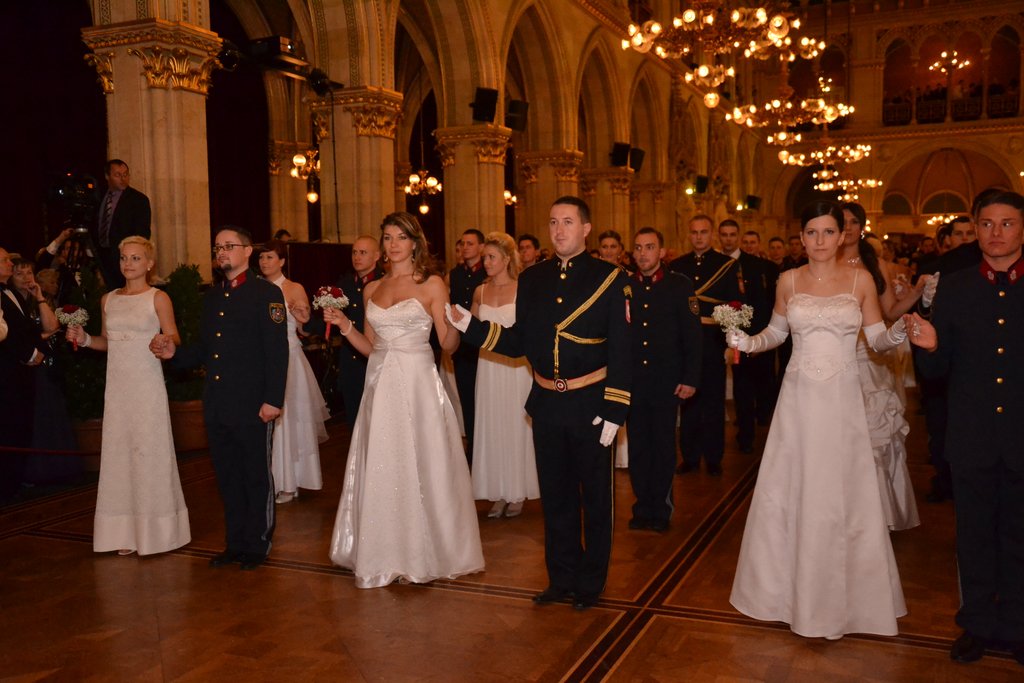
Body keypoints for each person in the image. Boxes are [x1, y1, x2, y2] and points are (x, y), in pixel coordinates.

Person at [727, 201, 907, 640]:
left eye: (829, 232)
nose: (821, 240)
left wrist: (899, 332)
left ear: (842, 236)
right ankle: (783, 594)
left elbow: (877, 339)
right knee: (794, 486)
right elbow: (777, 333)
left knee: (842, 491)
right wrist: (747, 343)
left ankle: (848, 602)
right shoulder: (788, 280)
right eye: (812, 232)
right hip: (799, 401)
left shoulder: (861, 280)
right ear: (802, 237)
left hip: (843, 404)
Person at [449, 195, 631, 611]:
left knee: (595, 501)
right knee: (556, 497)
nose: (559, 230)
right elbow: (518, 342)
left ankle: (590, 584)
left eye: (567, 222)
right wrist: (471, 327)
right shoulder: (533, 279)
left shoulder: (611, 278)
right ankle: (561, 579)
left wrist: (615, 408)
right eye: (553, 222)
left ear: (585, 228)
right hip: (547, 402)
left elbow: (622, 349)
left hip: (591, 403)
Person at [325, 212, 483, 588]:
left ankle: (423, 552)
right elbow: (372, 347)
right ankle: (382, 550)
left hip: (417, 384)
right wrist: (345, 326)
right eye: (388, 237)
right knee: (383, 462)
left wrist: (456, 325)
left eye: (401, 237)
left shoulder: (431, 284)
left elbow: (447, 344)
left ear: (415, 243)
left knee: (421, 462)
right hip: (380, 386)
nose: (393, 244)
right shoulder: (371, 289)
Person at [907, 189, 1024, 666]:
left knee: (1018, 537)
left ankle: (1017, 626)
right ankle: (975, 623)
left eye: (1007, 223)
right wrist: (931, 347)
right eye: (987, 224)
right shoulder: (954, 287)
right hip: (972, 436)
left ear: (1022, 229)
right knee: (973, 538)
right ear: (975, 229)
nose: (996, 233)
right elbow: (936, 376)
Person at [151, 226, 288, 571]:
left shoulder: (266, 294)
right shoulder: (212, 298)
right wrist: (174, 354)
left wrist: (273, 399)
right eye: (218, 247)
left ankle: (257, 544)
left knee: (255, 475)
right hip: (218, 402)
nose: (222, 252)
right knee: (227, 476)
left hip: (253, 404)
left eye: (229, 246)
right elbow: (205, 348)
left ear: (248, 251)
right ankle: (235, 543)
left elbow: (277, 351)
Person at [67, 236, 190, 555]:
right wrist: (84, 338)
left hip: (147, 386)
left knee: (150, 453)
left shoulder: (158, 297)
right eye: (124, 257)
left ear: (149, 264)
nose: (128, 263)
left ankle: (157, 533)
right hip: (118, 389)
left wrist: (164, 341)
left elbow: (174, 335)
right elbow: (107, 341)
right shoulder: (108, 299)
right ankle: (123, 532)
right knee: (119, 455)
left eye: (135, 258)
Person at [840, 202, 921, 531]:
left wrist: (916, 293)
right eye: (841, 222)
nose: (847, 228)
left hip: (870, 356)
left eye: (853, 222)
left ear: (862, 228)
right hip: (836, 357)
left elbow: (890, 311)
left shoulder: (877, 266)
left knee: (874, 436)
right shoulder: (823, 264)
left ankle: (877, 514)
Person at [627, 227, 701, 532]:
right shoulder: (625, 286)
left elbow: (692, 336)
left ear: (661, 252)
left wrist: (690, 377)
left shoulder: (679, 285)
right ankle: (642, 506)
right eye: (638, 248)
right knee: (638, 447)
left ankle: (660, 508)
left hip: (666, 380)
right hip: (634, 381)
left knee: (662, 446)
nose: (643, 253)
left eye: (649, 247)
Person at [469, 232, 538, 518]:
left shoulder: (524, 289)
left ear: (507, 259)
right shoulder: (480, 292)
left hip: (516, 368)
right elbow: (472, 330)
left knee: (516, 426)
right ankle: (497, 491)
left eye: (491, 257)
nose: (486, 262)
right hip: (488, 368)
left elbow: (530, 333)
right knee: (492, 426)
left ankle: (517, 490)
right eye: (484, 257)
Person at [669, 215, 742, 476]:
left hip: (712, 341)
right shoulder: (677, 266)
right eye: (694, 232)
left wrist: (731, 343)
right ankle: (689, 456)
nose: (698, 237)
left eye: (703, 232)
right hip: (684, 344)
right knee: (687, 401)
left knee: (713, 401)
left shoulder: (726, 265)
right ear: (688, 234)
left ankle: (713, 457)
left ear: (711, 234)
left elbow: (734, 304)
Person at [258, 240, 328, 504]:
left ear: (282, 261)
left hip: (288, 357)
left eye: (270, 257)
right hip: (261, 359)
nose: (264, 262)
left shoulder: (293, 288)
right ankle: (269, 480)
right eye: (262, 258)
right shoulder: (256, 288)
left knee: (289, 420)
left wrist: (303, 317)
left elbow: (304, 329)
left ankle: (290, 482)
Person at [719, 219, 777, 452]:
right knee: (740, 389)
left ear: (738, 236)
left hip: (752, 335)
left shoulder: (754, 264)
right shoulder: (716, 263)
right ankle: (743, 435)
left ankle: (757, 428)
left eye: (732, 234)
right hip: (723, 334)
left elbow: (761, 303)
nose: (728, 239)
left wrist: (755, 339)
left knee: (756, 385)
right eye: (724, 234)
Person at [0, 247, 48, 500]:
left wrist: (39, 350)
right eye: (5, 260)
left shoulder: (11, 293)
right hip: (7, 373)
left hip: (20, 374)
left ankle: (14, 482)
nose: (11, 263)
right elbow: (5, 336)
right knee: (8, 425)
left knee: (20, 424)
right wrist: (29, 353)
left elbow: (24, 329)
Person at [335, 235, 385, 427]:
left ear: (377, 256)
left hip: (376, 361)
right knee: (355, 422)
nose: (357, 257)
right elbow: (333, 322)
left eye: (363, 252)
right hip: (350, 362)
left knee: (378, 420)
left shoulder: (384, 283)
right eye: (354, 252)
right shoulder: (345, 284)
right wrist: (306, 323)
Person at [449, 228, 487, 460]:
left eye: (470, 243)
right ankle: (473, 450)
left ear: (481, 247)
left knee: (485, 399)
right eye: (462, 243)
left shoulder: (488, 272)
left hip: (483, 345)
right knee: (467, 401)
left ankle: (488, 450)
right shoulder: (455, 274)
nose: (465, 247)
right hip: (463, 347)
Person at [94, 159, 151, 289]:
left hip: (124, 257)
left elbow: (142, 234)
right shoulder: (99, 197)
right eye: (117, 175)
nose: (123, 179)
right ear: (107, 176)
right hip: (101, 256)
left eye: (125, 174)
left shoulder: (138, 200)